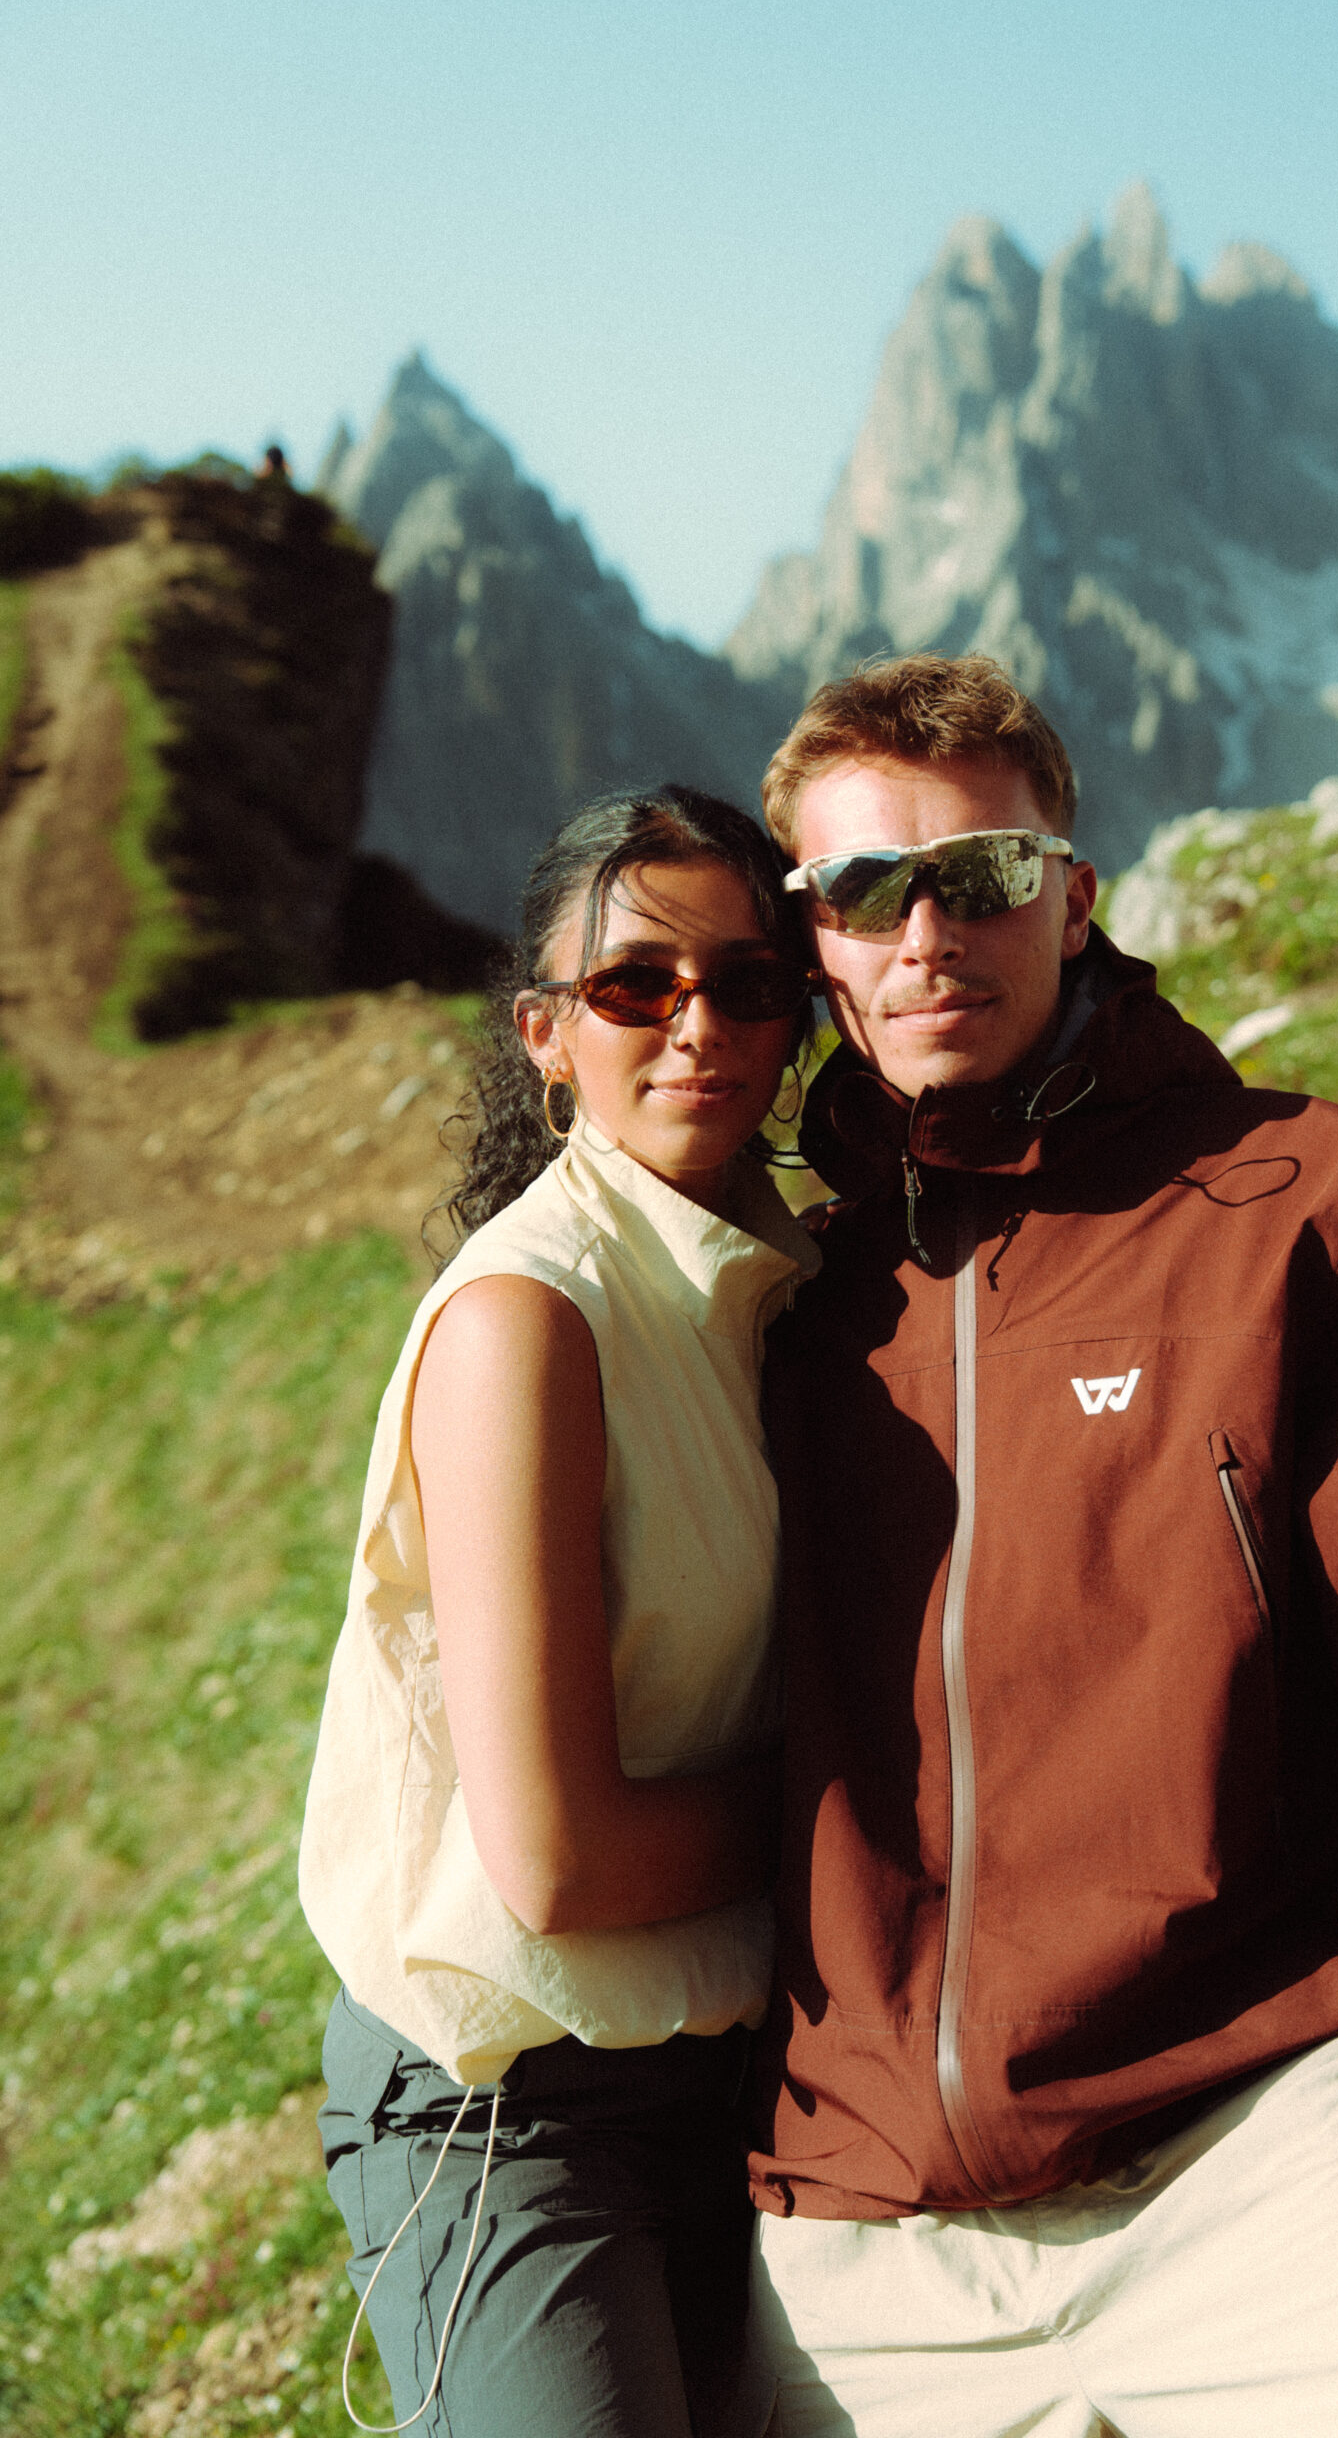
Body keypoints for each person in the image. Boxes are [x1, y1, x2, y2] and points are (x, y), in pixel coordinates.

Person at [744, 655, 1338, 2438]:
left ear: (1075, 898)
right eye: (864, 889)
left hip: (1259, 2138)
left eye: (982, 874)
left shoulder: (1318, 1207)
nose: (926, 934)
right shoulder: (762, 1294)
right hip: (858, 2225)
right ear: (811, 938)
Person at [298, 785, 819, 2438]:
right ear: (547, 1033)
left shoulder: (795, 1285)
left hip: (747, 2060)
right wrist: (894, 1799)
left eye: (747, 983)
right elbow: (558, 1865)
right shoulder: (530, 1319)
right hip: (511, 2103)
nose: (698, 1026)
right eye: (635, 985)